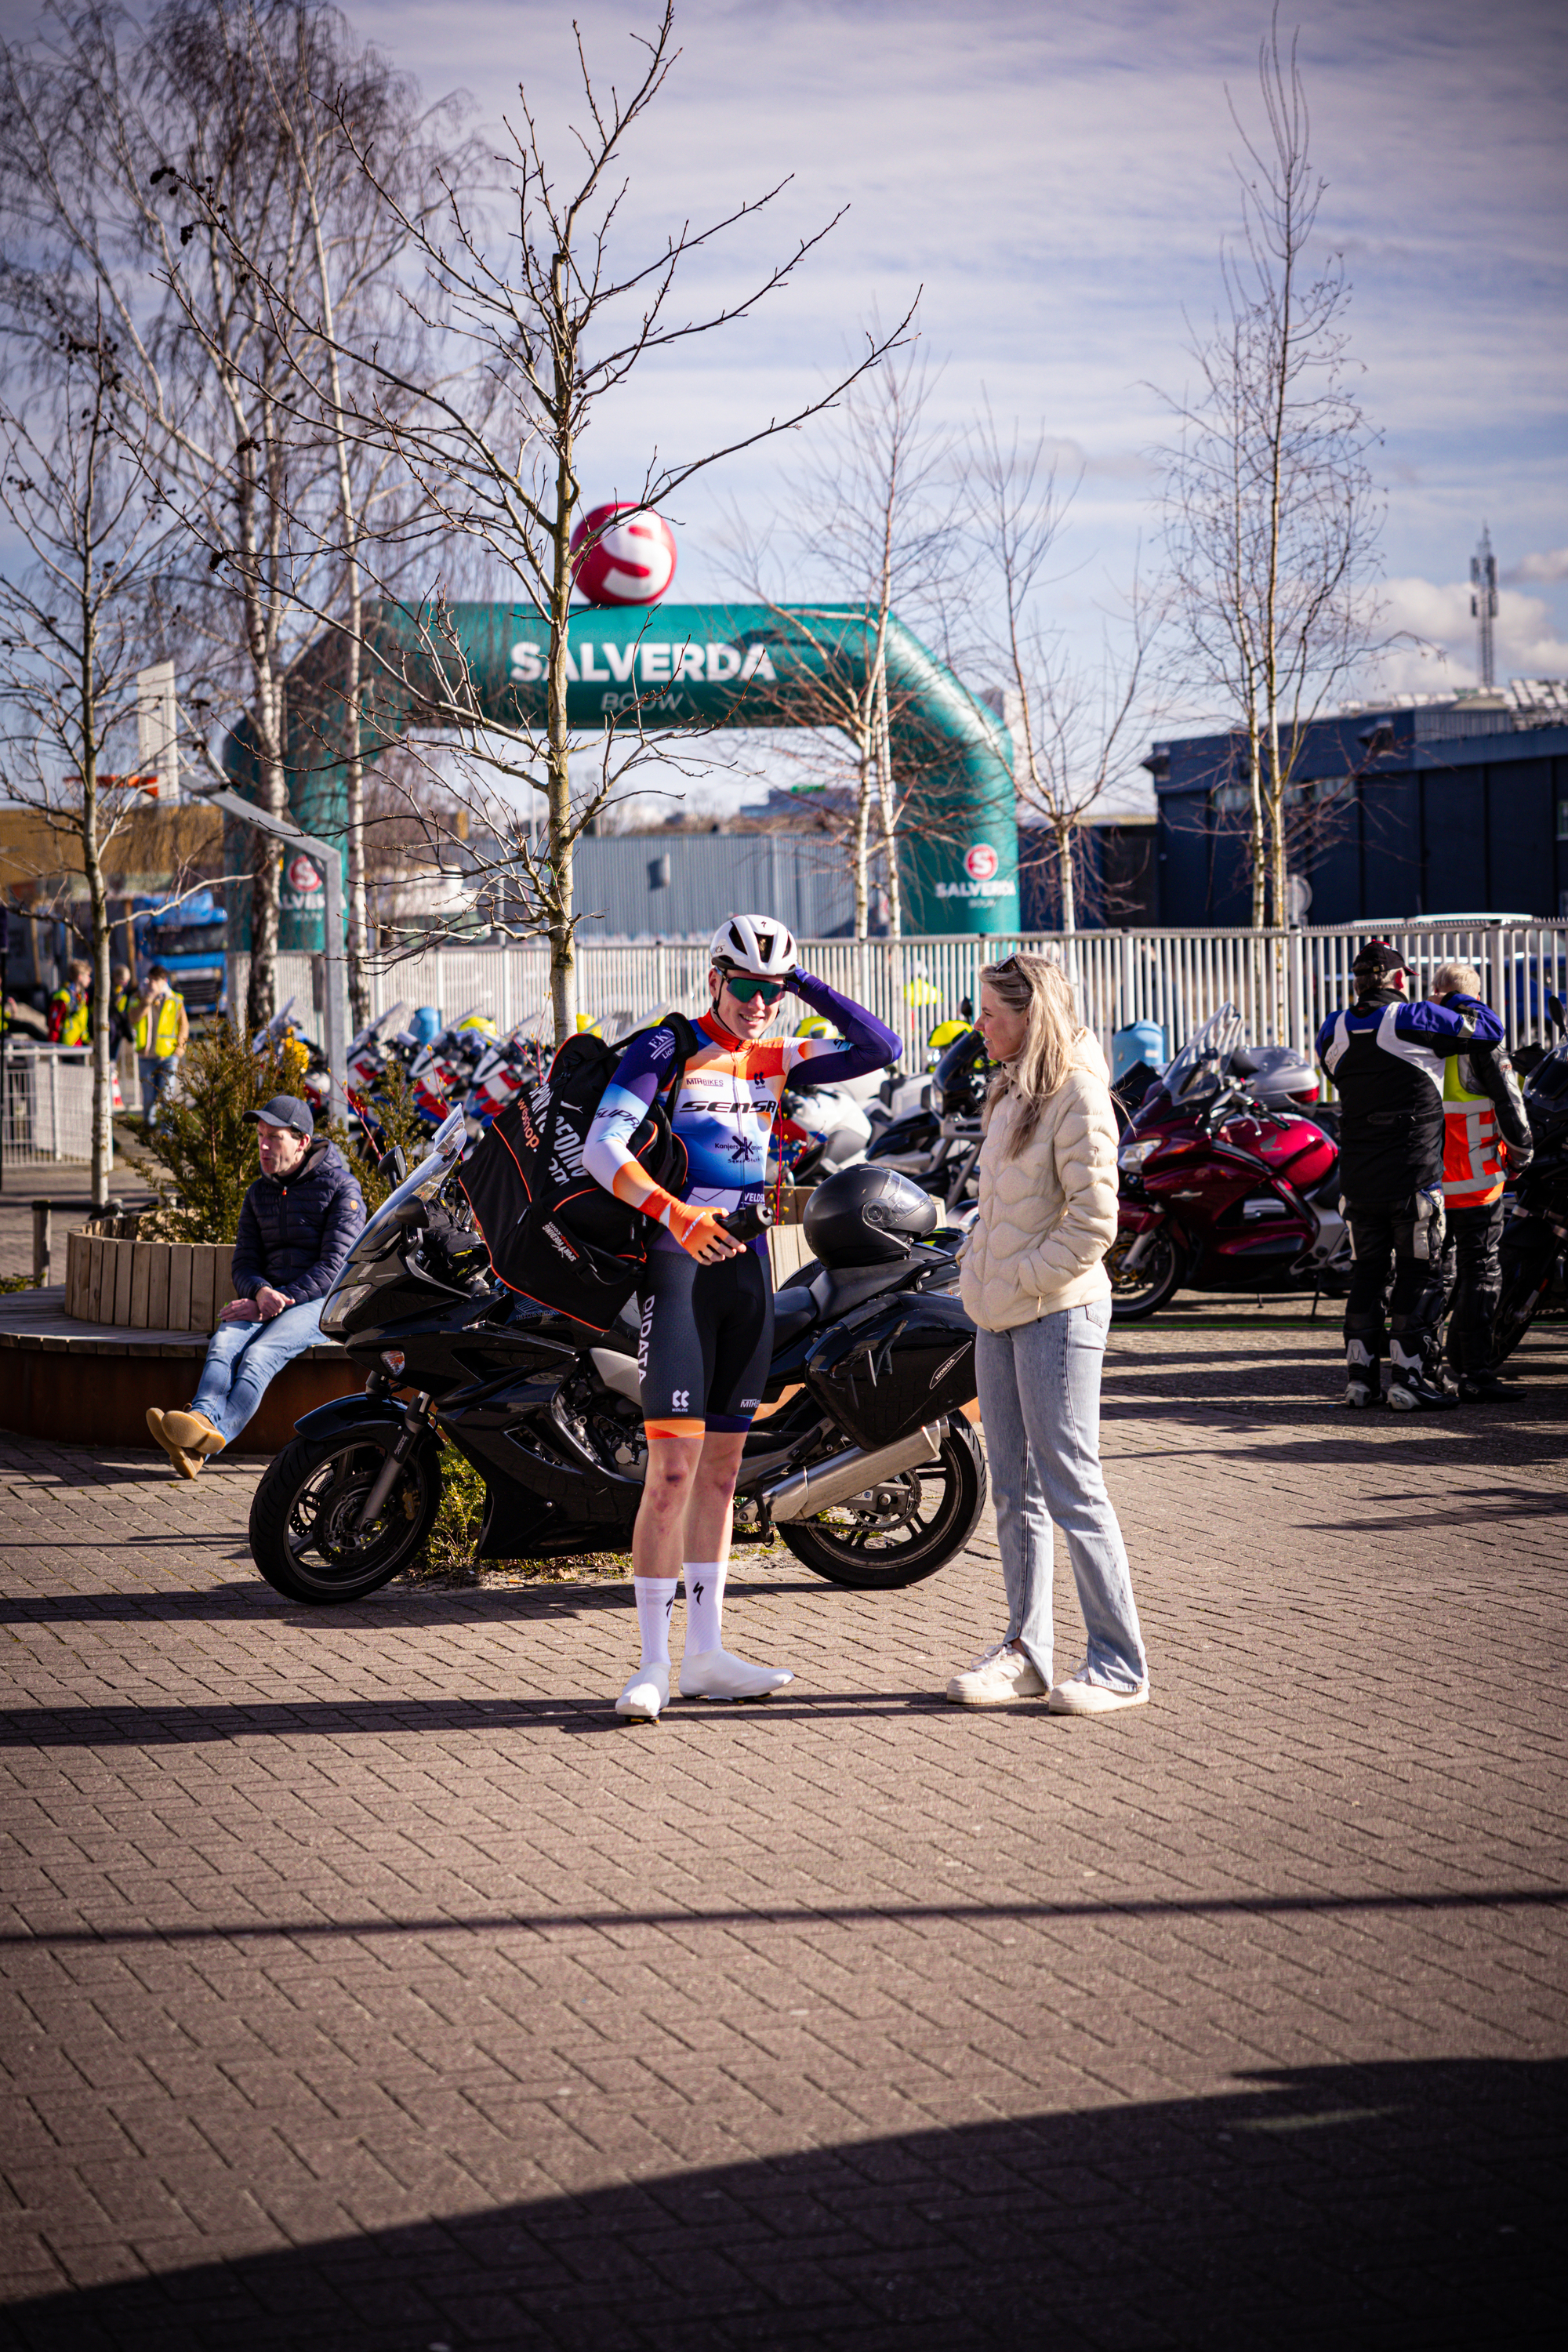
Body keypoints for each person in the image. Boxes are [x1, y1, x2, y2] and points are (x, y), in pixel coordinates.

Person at [583, 913, 899, 1722]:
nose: (761, 1004)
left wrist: (802, 983)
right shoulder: (665, 1047)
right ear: (714, 979)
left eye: (773, 990)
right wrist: (672, 1213)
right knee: (674, 1474)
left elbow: (880, 1048)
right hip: (679, 1266)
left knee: (724, 1473)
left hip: (751, 1270)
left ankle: (706, 1654)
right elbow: (602, 1149)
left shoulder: (774, 1056)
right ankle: (652, 1661)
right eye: (747, 986)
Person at [944, 953, 1149, 1715]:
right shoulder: (1007, 1089)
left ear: (1030, 1017)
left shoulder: (1077, 1095)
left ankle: (1120, 1666)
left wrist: (1022, 1277)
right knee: (1013, 1492)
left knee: (1071, 1487)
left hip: (1055, 1315)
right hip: (997, 1317)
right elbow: (997, 1204)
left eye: (992, 1014)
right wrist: (976, 1264)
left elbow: (1095, 1223)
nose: (980, 1026)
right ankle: (1025, 1653)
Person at [1316, 939, 1504, 1410]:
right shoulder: (1412, 1017)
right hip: (1413, 1176)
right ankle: (1410, 1380)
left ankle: (1360, 1382)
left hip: (1357, 1178)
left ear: (1358, 981)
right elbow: (1490, 1031)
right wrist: (1455, 998)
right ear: (1400, 980)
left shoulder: (1331, 1028)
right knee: (1420, 1274)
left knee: (1367, 1274)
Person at [145, 1094, 365, 1477]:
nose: (263, 1146)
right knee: (224, 1345)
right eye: (260, 1136)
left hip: (321, 1303)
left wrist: (274, 1302)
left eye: (274, 1137)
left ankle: (207, 1435)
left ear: (302, 1141)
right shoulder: (258, 1193)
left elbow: (334, 1267)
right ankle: (197, 1430)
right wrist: (260, 1291)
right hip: (267, 1299)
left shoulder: (341, 1189)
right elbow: (244, 1262)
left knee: (258, 1357)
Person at [1429, 958, 1533, 1401]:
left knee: (1432, 1273)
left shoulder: (1419, 1036)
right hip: (1476, 1182)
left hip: (1429, 1182)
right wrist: (1523, 1154)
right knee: (1482, 1273)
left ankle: (1422, 1367)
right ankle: (1474, 1372)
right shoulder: (1484, 1041)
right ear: (1475, 996)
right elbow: (1511, 1106)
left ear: (1436, 991)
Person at [134, 963, 188, 1123]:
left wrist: (179, 1050)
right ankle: (149, 1130)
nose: (151, 984)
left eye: (155, 980)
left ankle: (167, 1137)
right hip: (146, 1056)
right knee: (149, 1099)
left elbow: (184, 1026)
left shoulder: (175, 1000)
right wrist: (146, 1002)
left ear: (164, 981)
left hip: (168, 1057)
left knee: (167, 1097)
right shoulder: (140, 997)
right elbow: (133, 1018)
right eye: (149, 980)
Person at [46, 960, 92, 1045]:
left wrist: (87, 1040)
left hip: (79, 1043)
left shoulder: (83, 997)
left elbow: (81, 1023)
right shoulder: (63, 996)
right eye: (87, 976)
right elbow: (54, 1023)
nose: (90, 979)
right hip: (66, 1045)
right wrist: (52, 1045)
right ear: (80, 977)